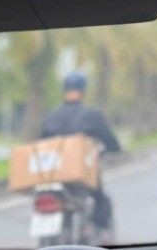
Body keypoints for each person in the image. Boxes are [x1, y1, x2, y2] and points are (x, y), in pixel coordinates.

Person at [41, 72, 122, 239]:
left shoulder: (51, 116)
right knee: (101, 200)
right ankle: (97, 232)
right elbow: (110, 141)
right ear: (83, 91)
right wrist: (114, 149)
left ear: (64, 90)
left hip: (53, 175)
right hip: (81, 175)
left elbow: (42, 144)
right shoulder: (92, 116)